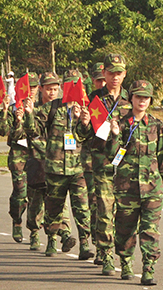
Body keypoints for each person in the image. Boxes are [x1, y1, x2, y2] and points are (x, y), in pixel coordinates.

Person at [106, 80, 163, 285]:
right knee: (125, 228)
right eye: (138, 97)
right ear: (131, 99)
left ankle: (149, 268)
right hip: (127, 188)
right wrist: (114, 135)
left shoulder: (156, 125)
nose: (142, 101)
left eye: (146, 97)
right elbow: (111, 155)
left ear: (150, 100)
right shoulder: (122, 124)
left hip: (152, 187)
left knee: (150, 229)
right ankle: (126, 262)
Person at [23, 71, 92, 258]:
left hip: (78, 168)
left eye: (75, 85)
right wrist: (29, 114)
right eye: (69, 84)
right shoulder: (52, 108)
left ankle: (85, 244)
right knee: (54, 208)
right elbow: (33, 130)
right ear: (65, 87)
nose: (72, 88)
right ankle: (52, 240)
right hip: (54, 168)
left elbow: (88, 137)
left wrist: (83, 122)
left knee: (82, 209)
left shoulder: (85, 108)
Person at [78, 54, 131, 275]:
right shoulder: (93, 101)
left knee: (127, 214)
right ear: (105, 74)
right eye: (111, 73)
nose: (115, 78)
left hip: (126, 166)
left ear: (124, 74)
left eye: (119, 73)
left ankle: (126, 258)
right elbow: (81, 135)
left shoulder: (132, 100)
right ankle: (107, 255)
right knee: (105, 211)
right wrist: (83, 123)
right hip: (102, 164)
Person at [13, 72, 72, 252]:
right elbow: (21, 135)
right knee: (36, 203)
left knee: (58, 203)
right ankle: (33, 231)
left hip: (57, 164)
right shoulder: (34, 108)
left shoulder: (63, 109)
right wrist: (20, 119)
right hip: (37, 163)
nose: (52, 93)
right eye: (48, 89)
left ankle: (61, 235)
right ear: (41, 89)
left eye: (55, 89)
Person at [0, 76, 29, 243]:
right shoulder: (14, 109)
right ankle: (17, 220)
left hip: (39, 156)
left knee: (39, 194)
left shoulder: (41, 108)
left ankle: (35, 231)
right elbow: (2, 130)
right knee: (20, 193)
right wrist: (6, 111)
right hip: (18, 157)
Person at [80, 62, 107, 262]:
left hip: (117, 162)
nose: (102, 83)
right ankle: (100, 247)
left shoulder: (123, 99)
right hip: (91, 162)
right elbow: (79, 134)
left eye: (104, 80)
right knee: (95, 204)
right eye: (99, 80)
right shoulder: (88, 101)